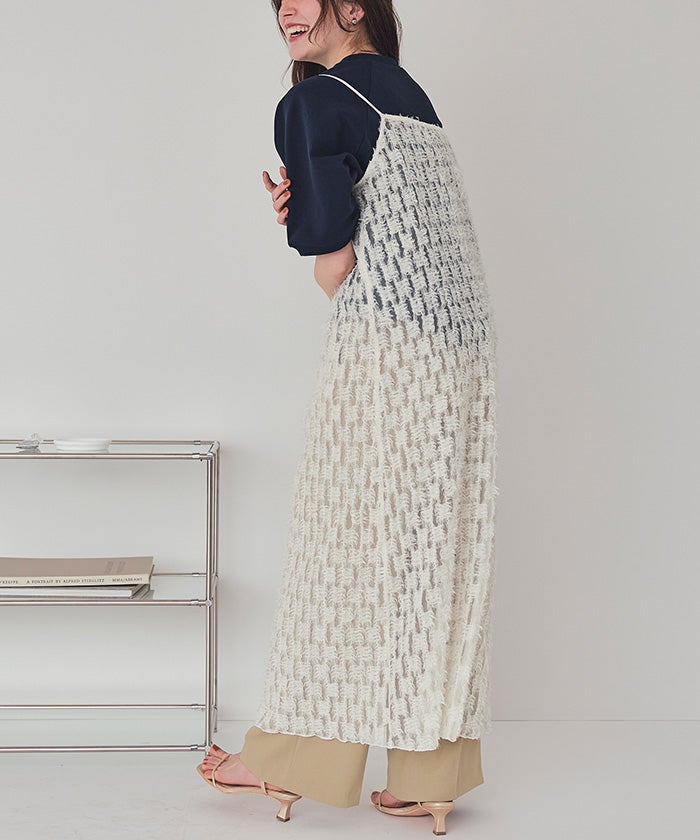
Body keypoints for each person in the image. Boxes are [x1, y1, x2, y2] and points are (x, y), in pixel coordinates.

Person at [196, 1, 499, 835]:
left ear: (353, 6)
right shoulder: (409, 96)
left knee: (343, 550)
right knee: (435, 559)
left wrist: (305, 224)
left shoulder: (312, 102)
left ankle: (288, 761)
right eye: (278, 3)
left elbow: (335, 259)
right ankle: (432, 775)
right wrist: (318, 210)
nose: (286, 11)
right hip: (463, 348)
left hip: (388, 351)